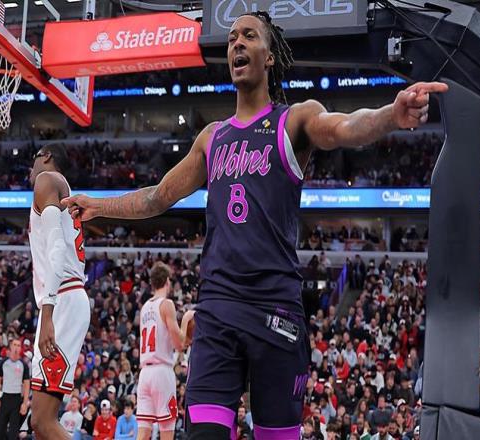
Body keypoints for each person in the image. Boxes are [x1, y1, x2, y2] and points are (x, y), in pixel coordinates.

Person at [62, 10, 447, 439]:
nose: (237, 44)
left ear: (269, 56)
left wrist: (391, 114)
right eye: (231, 39)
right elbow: (158, 197)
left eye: (249, 36)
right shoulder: (212, 137)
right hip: (218, 310)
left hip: (275, 311)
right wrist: (98, 206)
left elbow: (343, 127)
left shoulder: (294, 119)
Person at [28, 144, 91, 440]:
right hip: (65, 296)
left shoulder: (46, 180)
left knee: (42, 421)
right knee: (41, 427)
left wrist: (47, 313)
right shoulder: (60, 189)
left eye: (34, 159)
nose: (31, 169)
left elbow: (56, 251)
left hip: (61, 298)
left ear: (47, 156)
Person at [135, 262, 195, 440]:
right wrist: (186, 319)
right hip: (162, 372)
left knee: (143, 434)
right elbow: (179, 344)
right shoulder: (166, 304)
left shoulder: (145, 307)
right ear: (167, 281)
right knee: (166, 431)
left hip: (144, 373)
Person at [0, 338, 30, 440]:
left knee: (13, 432)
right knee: (0, 430)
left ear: (21, 349)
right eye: (14, 345)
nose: (16, 347)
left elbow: (27, 385)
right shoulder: (4, 362)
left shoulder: (24, 365)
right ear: (10, 347)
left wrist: (25, 402)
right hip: (5, 398)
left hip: (16, 399)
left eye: (18, 345)